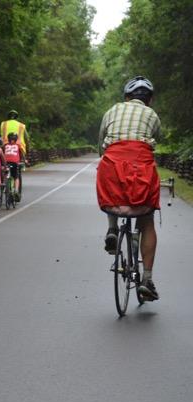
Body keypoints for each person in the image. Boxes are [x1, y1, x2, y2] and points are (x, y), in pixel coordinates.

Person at [96, 75, 162, 301]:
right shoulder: (152, 115)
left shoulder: (112, 111)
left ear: (126, 97)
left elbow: (101, 144)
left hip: (112, 166)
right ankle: (147, 279)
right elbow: (154, 142)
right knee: (147, 220)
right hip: (141, 169)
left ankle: (112, 229)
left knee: (109, 192)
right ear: (149, 100)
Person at [3, 132, 28, 201]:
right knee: (16, 177)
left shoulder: (5, 146)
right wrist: (25, 160)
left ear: (8, 139)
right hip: (14, 163)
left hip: (6, 163)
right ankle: (16, 191)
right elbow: (22, 154)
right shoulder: (18, 145)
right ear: (16, 139)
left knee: (5, 172)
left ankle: (5, 185)